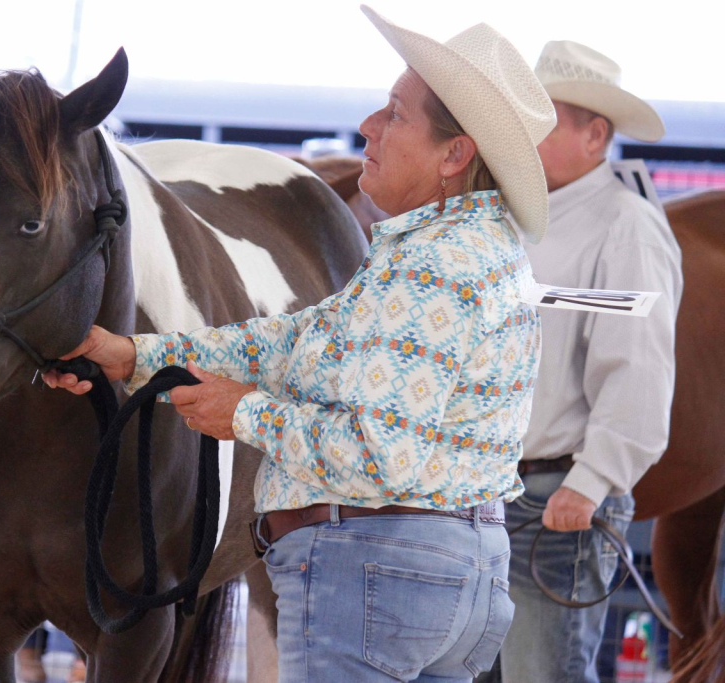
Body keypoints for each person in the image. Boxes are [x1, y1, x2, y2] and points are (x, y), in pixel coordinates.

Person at [46, 7, 555, 681]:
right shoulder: (473, 251)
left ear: (454, 155)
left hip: (374, 569)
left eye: (395, 114)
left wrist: (243, 413)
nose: (369, 126)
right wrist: (138, 357)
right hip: (458, 571)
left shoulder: (429, 268)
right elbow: (295, 341)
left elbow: (380, 454)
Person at [478, 41, 683, 683]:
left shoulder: (626, 227)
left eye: (541, 123)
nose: (522, 137)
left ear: (596, 135)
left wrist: (592, 481)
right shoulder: (520, 220)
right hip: (497, 494)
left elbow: (637, 369)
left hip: (555, 499)